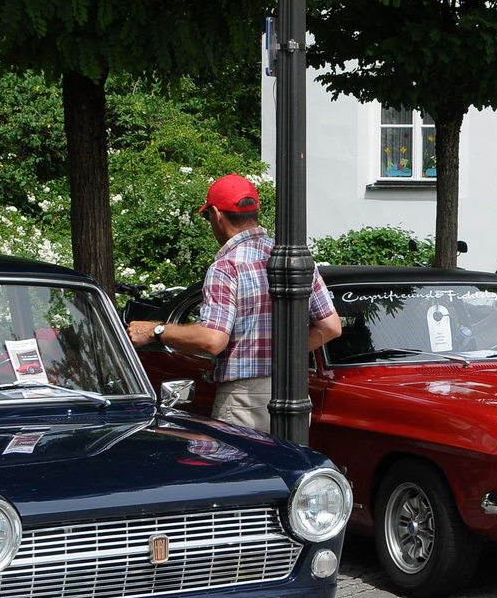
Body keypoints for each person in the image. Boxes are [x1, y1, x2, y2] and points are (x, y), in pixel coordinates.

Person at [127, 174, 341, 432]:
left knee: (244, 472)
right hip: (294, 395)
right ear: (256, 210)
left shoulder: (226, 266)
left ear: (217, 214)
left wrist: (156, 330)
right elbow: (330, 327)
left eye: (208, 218)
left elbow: (212, 340)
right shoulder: (294, 258)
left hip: (243, 403)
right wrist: (280, 357)